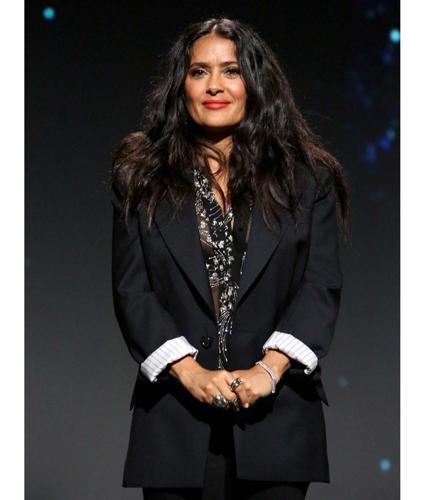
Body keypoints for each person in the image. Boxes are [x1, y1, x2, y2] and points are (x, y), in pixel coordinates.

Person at [109, 17, 350, 500]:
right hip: (174, 421)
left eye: (231, 71)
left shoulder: (309, 180)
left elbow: (319, 285)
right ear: (181, 86)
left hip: (277, 418)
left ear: (256, 84)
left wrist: (269, 370)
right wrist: (190, 372)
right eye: (199, 71)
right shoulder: (140, 178)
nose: (214, 85)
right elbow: (132, 290)